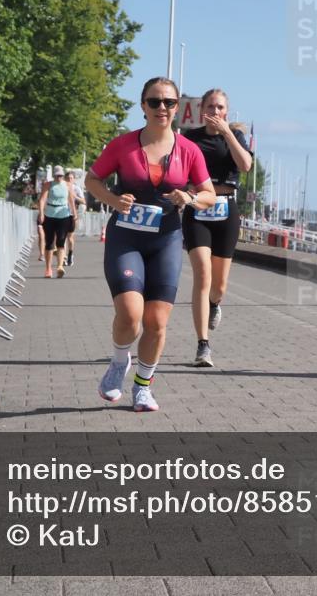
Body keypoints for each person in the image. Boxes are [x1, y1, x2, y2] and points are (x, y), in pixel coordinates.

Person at [85, 77, 216, 412]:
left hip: (166, 240)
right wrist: (114, 200)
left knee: (157, 322)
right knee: (130, 315)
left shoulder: (189, 150)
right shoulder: (122, 145)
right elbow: (92, 180)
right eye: (154, 102)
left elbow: (209, 195)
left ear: (177, 107)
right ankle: (119, 362)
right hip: (126, 238)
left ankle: (143, 387)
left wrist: (189, 197)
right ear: (143, 106)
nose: (162, 108)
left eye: (169, 102)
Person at [181, 89, 253, 368]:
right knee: (202, 275)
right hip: (197, 208)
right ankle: (203, 345)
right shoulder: (190, 138)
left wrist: (227, 134)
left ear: (226, 111)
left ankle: (214, 304)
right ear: (202, 110)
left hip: (225, 209)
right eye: (210, 106)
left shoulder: (235, 136)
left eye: (220, 107)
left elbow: (245, 165)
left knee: (218, 286)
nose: (215, 111)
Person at [38, 165, 77, 278]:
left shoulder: (68, 185)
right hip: (50, 215)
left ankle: (60, 267)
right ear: (54, 175)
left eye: (60, 175)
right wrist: (41, 213)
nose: (59, 177)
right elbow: (42, 200)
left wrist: (74, 213)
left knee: (61, 241)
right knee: (49, 243)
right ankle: (48, 269)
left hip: (64, 215)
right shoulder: (48, 185)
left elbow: (71, 200)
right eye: (57, 175)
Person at [64, 171, 87, 266]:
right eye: (67, 178)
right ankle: (63, 257)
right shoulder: (61, 187)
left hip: (71, 214)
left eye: (71, 178)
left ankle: (70, 254)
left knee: (70, 237)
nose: (69, 180)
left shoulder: (76, 188)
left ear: (73, 179)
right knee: (61, 237)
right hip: (61, 214)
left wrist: (75, 196)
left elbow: (83, 201)